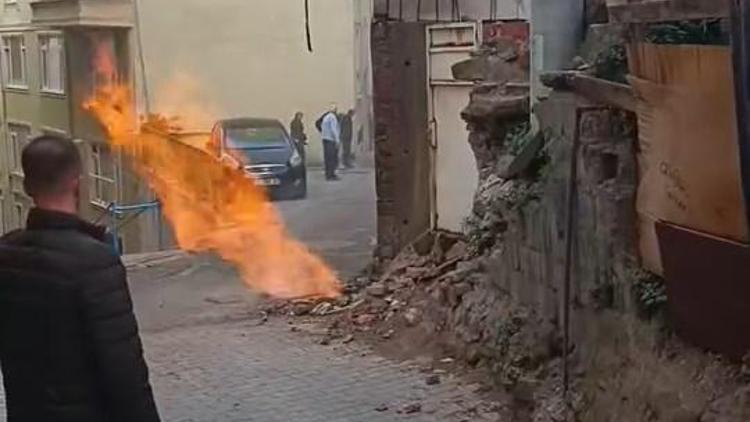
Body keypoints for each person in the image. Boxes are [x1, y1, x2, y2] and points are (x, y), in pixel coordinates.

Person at [0, 136, 161, 422]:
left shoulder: (7, 254)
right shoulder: (95, 262)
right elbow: (124, 370)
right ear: (77, 182)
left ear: (26, 186)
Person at [319, 104, 341, 181]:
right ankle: (331, 175)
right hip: (331, 140)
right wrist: (337, 140)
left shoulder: (326, 117)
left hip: (325, 139)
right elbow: (333, 129)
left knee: (327, 158)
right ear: (335, 110)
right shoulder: (332, 118)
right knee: (332, 158)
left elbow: (321, 127)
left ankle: (327, 174)